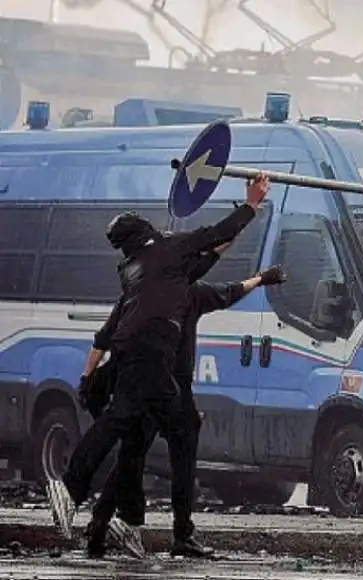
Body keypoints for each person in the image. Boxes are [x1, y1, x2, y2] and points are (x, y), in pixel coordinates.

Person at [47, 175, 270, 542]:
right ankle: (71, 488)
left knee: (156, 429)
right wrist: (251, 203)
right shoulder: (168, 251)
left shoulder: (136, 269)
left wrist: (89, 378)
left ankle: (130, 522)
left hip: (141, 356)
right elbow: (217, 234)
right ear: (147, 230)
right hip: (150, 351)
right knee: (123, 421)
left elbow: (206, 258)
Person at [79, 246, 286, 558]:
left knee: (131, 456)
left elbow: (105, 337)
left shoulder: (138, 293)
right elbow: (231, 292)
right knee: (183, 457)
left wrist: (88, 378)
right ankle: (181, 535)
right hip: (172, 387)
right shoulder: (191, 293)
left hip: (139, 383)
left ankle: (99, 526)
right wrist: (261, 278)